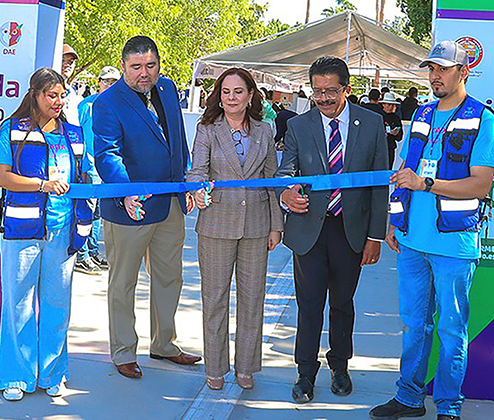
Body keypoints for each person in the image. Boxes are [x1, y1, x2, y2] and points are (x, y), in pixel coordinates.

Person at [370, 40, 494, 420]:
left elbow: (481, 185)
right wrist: (396, 220)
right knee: (413, 326)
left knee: (451, 331)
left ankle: (448, 406)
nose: (435, 76)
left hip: (454, 245)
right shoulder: (423, 114)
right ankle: (408, 398)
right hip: (412, 240)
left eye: (443, 69)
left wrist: (427, 185)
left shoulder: (483, 119)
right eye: (431, 69)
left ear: (464, 72)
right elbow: (403, 174)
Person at [275, 56, 389, 404]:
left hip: (351, 232)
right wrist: (286, 193)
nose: (323, 98)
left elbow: (379, 184)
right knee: (309, 305)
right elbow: (286, 172)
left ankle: (340, 366)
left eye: (330, 91)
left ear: (347, 89)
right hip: (309, 231)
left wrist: (375, 236)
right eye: (317, 91)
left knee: (342, 303)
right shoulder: (298, 125)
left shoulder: (371, 125)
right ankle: (305, 373)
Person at [93, 35, 200, 380]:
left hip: (170, 204)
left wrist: (183, 183)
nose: (144, 73)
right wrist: (126, 191)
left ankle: (164, 344)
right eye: (136, 67)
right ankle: (123, 350)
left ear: (159, 65)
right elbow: (107, 153)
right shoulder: (107, 102)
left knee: (170, 278)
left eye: (150, 66)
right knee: (123, 282)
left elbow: (177, 141)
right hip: (130, 208)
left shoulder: (168, 89)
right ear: (123, 66)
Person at [0, 68, 93, 401]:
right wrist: (42, 185)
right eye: (51, 95)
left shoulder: (74, 134)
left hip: (63, 233)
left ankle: (52, 373)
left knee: (56, 304)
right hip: (22, 231)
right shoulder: (12, 130)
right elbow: (2, 178)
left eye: (62, 95)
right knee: (18, 304)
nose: (58, 101)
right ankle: (15, 376)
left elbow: (86, 177)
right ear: (34, 94)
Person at [187, 67, 284, 391]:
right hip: (216, 224)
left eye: (238, 91)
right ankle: (215, 367)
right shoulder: (207, 129)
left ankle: (246, 366)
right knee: (214, 299)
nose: (231, 97)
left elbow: (272, 181)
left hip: (257, 226)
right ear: (219, 95)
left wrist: (276, 226)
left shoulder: (265, 130)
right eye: (226, 92)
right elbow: (197, 171)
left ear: (250, 95)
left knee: (252, 298)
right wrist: (197, 190)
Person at [74, 66, 120, 275]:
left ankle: (92, 251)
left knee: (99, 212)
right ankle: (81, 254)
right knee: (87, 210)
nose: (109, 85)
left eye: (113, 81)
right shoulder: (87, 105)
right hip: (89, 165)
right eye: (106, 81)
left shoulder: (121, 104)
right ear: (98, 82)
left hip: (108, 167)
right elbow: (77, 134)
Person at [379, 92, 403, 169]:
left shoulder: (396, 118)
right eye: (389, 104)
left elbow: (399, 137)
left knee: (388, 167)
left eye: (393, 105)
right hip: (378, 147)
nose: (391, 107)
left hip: (390, 147)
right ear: (383, 104)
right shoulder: (377, 116)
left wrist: (396, 134)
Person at [61, 44, 81, 125]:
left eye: (71, 62)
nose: (67, 64)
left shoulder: (73, 94)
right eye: (63, 60)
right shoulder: (44, 88)